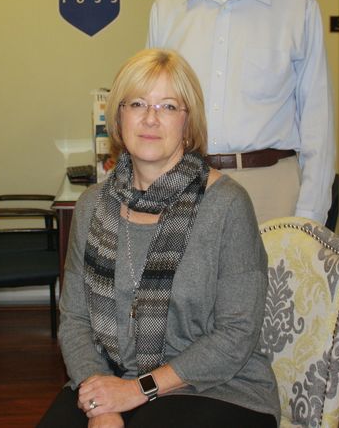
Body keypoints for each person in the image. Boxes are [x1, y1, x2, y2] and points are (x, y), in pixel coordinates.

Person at [38, 49, 280, 427]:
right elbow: (74, 319)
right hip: (112, 379)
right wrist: (102, 400)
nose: (150, 118)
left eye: (168, 106)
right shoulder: (91, 208)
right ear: (117, 117)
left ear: (188, 122)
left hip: (219, 389)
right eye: (137, 103)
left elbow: (236, 334)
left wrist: (135, 390)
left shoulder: (227, 206)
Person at [147, 0, 335, 225]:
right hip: (186, 186)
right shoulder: (168, 8)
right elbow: (153, 114)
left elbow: (317, 127)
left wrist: (308, 220)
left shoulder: (297, 6)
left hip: (272, 193)